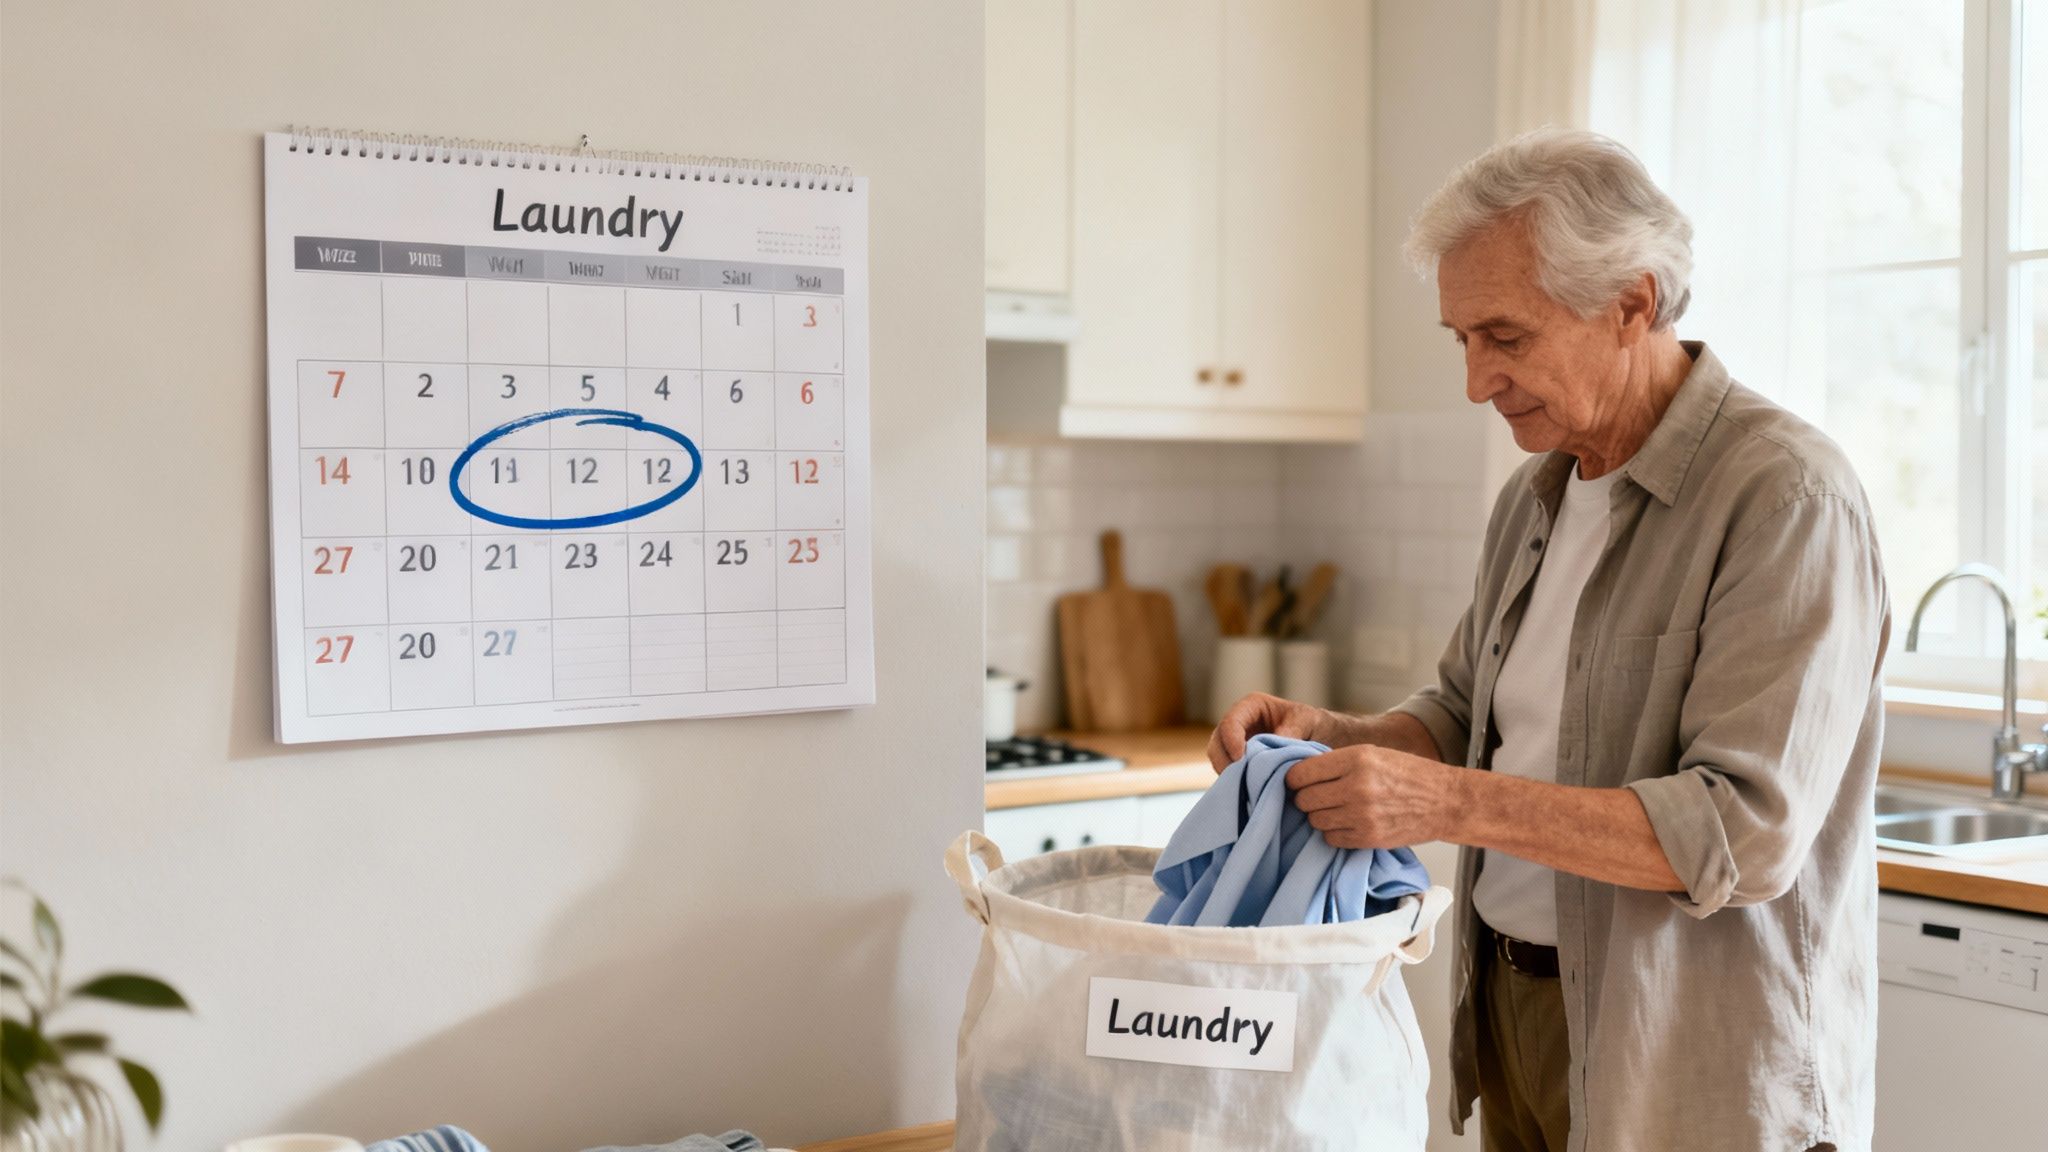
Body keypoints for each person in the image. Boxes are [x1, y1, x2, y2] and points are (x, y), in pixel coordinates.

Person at [1211, 129, 1889, 1152]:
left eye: (1506, 337)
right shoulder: (1534, 495)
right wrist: (1332, 736)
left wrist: (1441, 806)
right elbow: (1460, 717)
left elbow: (1743, 832)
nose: (1477, 381)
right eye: (1461, 341)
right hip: (1517, 1014)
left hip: (1688, 1052)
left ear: (1632, 304)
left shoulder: (1783, 495)